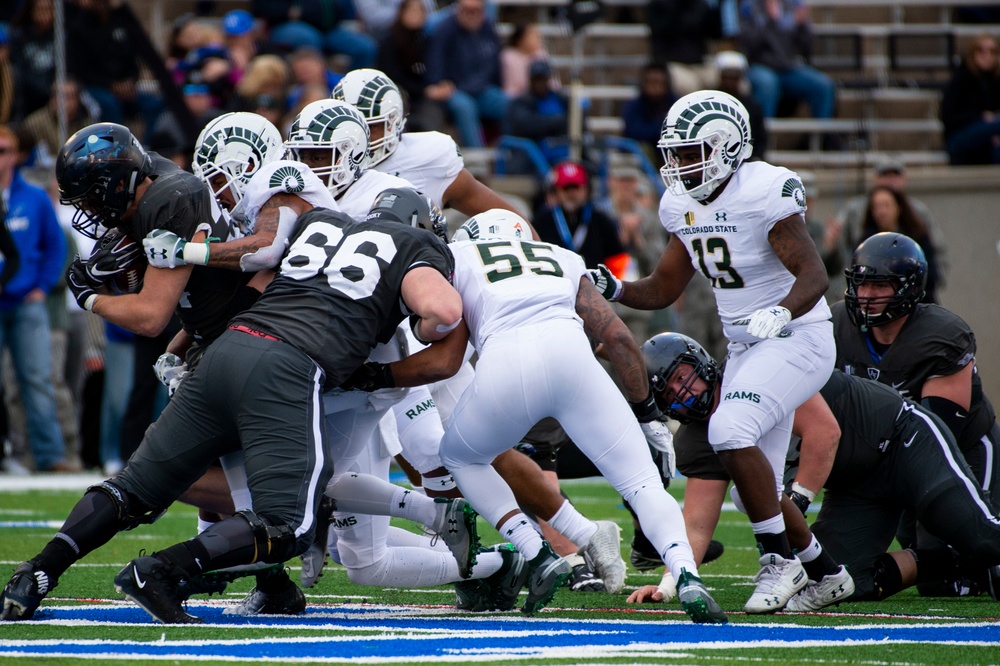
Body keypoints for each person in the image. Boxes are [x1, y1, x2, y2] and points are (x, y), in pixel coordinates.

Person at [0, 192, 464, 624]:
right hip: (288, 366)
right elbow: (442, 311)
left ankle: (35, 574)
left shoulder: (320, 222)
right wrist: (418, 327)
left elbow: (254, 284)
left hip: (227, 348)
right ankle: (163, 569)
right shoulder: (415, 244)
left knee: (133, 489)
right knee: (289, 526)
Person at [362, 208, 728, 622]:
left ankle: (535, 551)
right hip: (574, 362)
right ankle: (687, 575)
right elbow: (620, 339)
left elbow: (445, 361)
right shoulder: (560, 257)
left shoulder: (459, 257)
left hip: (508, 364)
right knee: (644, 484)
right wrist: (648, 417)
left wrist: (378, 374)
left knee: (461, 457)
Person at [589, 90, 838, 613]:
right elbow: (662, 288)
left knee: (727, 430)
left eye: (689, 152)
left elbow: (814, 273)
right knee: (763, 480)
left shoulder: (764, 189)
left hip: (799, 335)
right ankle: (825, 571)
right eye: (673, 153)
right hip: (750, 344)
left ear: (726, 147)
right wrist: (612, 287)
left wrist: (784, 311)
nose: (677, 165)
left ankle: (778, 560)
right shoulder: (682, 204)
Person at [628, 334, 999, 606]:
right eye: (669, 394)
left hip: (900, 440)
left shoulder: (753, 376)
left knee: (981, 536)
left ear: (702, 362)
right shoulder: (698, 438)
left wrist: (793, 506)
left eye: (682, 377)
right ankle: (953, 562)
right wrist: (670, 584)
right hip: (854, 487)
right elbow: (695, 525)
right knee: (845, 582)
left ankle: (974, 550)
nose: (683, 393)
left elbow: (825, 433)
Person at [835, 231, 1000, 596]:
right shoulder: (835, 328)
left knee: (950, 571)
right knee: (845, 578)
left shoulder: (941, 335)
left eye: (880, 285)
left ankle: (973, 559)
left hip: (957, 452)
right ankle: (959, 560)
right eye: (861, 284)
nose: (866, 295)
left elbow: (938, 435)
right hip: (880, 458)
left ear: (909, 288)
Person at [332, 68, 526, 220]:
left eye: (370, 127)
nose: (360, 137)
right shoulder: (319, 161)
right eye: (352, 127)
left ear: (393, 123)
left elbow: (509, 218)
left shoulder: (427, 159)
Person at [0, 125, 69, 473]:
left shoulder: (35, 197)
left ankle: (50, 456)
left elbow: (55, 246)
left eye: (4, 150)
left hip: (27, 300)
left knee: (39, 378)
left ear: (14, 155)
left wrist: (41, 285)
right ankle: (10, 455)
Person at [424, 0, 508, 148]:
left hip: (483, 90)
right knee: (465, 107)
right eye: (467, 10)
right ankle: (478, 160)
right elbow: (434, 65)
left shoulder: (487, 28)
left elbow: (495, 63)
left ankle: (510, 153)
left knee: (509, 104)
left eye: (476, 11)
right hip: (455, 89)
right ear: (458, 9)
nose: (472, 15)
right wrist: (439, 82)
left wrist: (499, 85)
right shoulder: (443, 30)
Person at [738, 0, 836, 120]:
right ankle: (763, 136)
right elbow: (749, 45)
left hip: (789, 68)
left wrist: (802, 25)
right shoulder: (749, 7)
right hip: (760, 66)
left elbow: (806, 48)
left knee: (823, 86)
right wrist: (770, 20)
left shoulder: (792, 5)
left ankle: (821, 137)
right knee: (767, 84)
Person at [532, 161, 628, 273]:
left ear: (587, 190)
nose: (571, 193)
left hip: (597, 286)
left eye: (576, 187)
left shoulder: (601, 220)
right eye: (566, 188)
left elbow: (618, 259)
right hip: (556, 285)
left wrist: (611, 285)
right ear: (555, 192)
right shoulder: (542, 222)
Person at [857, 186, 941, 304]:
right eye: (877, 207)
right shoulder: (865, 242)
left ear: (898, 207)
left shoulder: (917, 236)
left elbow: (931, 275)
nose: (882, 211)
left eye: (886, 205)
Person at [374, 0, 444, 133]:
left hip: (423, 97)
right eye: (411, 10)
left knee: (433, 113)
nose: (415, 15)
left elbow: (434, 68)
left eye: (419, 11)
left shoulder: (427, 40)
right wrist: (425, 90)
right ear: (401, 13)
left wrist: (440, 85)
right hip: (398, 95)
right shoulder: (389, 42)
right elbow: (392, 76)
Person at [251, 0, 377, 70]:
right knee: (310, 39)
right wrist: (291, 11)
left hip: (327, 28)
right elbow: (261, 7)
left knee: (366, 47)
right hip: (284, 26)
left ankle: (350, 86)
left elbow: (342, 8)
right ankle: (321, 86)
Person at [941, 34, 1000, 165]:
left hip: (988, 138)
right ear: (972, 52)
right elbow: (949, 116)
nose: (987, 55)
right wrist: (981, 117)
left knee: (997, 149)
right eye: (981, 50)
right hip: (960, 136)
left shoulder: (996, 81)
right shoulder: (960, 79)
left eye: (992, 51)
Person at [646, 0, 721, 97]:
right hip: (672, 63)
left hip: (700, 63)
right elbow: (661, 30)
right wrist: (678, 7)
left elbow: (715, 34)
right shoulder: (658, 5)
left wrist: (714, 10)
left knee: (728, 78)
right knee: (691, 86)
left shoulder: (700, 5)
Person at [505, 60, 571, 170]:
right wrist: (557, 121)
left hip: (562, 153)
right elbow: (527, 126)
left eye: (542, 78)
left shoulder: (561, 99)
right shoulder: (520, 102)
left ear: (548, 78)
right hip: (532, 158)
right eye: (536, 79)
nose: (539, 83)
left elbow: (575, 122)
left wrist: (549, 123)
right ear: (530, 79)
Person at [714, 50, 768, 161]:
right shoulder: (711, 100)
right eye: (727, 76)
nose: (730, 81)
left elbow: (760, 137)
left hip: (746, 158)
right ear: (721, 76)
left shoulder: (752, 105)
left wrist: (756, 157)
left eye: (735, 77)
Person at [621, 63, 679, 159]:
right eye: (651, 82)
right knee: (644, 147)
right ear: (643, 83)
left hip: (667, 148)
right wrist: (661, 126)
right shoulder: (633, 105)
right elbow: (637, 132)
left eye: (659, 82)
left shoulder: (676, 104)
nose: (655, 88)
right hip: (642, 152)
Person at [500, 24, 552, 99]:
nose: (538, 40)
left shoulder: (542, 56)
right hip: (516, 97)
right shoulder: (508, 56)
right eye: (533, 37)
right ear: (521, 39)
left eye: (538, 37)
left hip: (540, 96)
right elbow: (510, 87)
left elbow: (551, 83)